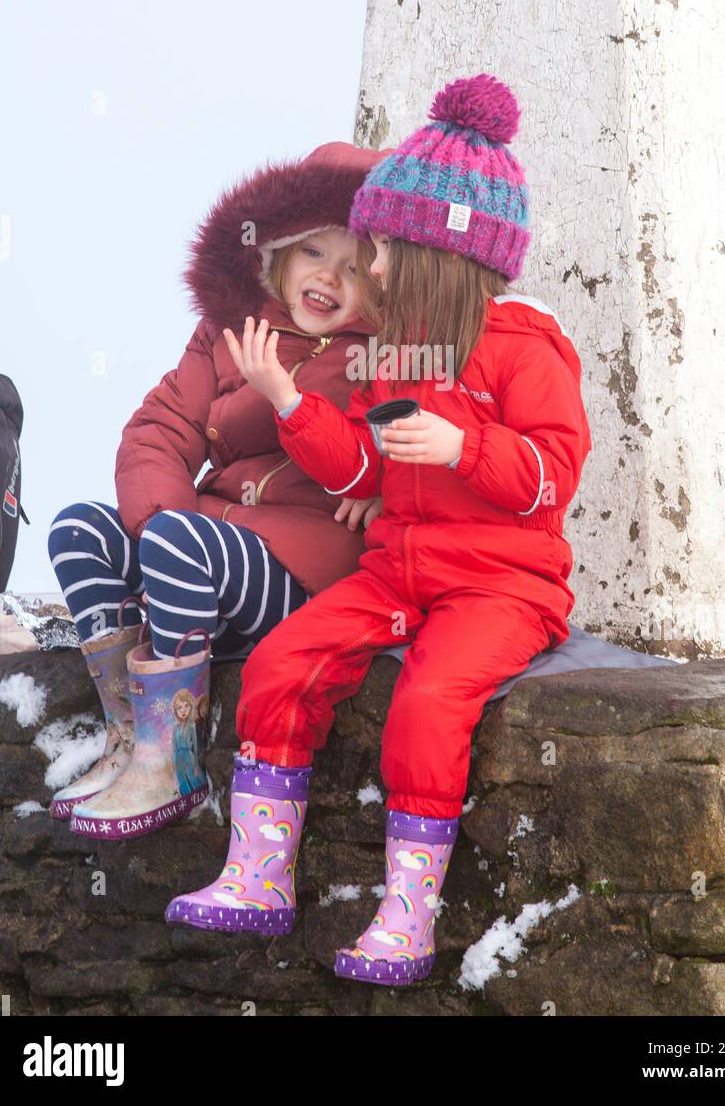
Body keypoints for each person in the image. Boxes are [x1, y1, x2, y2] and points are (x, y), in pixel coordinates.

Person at [164, 74, 593, 987]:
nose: (376, 268)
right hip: (400, 572)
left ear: (444, 251)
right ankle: (258, 874)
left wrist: (465, 444)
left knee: (429, 703)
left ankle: (409, 914)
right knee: (283, 662)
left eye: (390, 246)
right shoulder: (399, 352)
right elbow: (360, 468)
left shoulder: (527, 347)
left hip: (502, 587)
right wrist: (288, 403)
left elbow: (552, 478)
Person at [45, 140, 391, 838]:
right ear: (277, 253)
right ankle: (129, 730)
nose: (330, 277)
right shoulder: (229, 331)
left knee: (180, 539)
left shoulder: (382, 351)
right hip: (204, 546)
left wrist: (383, 485)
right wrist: (160, 537)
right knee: (79, 527)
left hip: (302, 567)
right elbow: (161, 429)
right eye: (314, 253)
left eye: (354, 266)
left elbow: (409, 440)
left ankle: (171, 758)